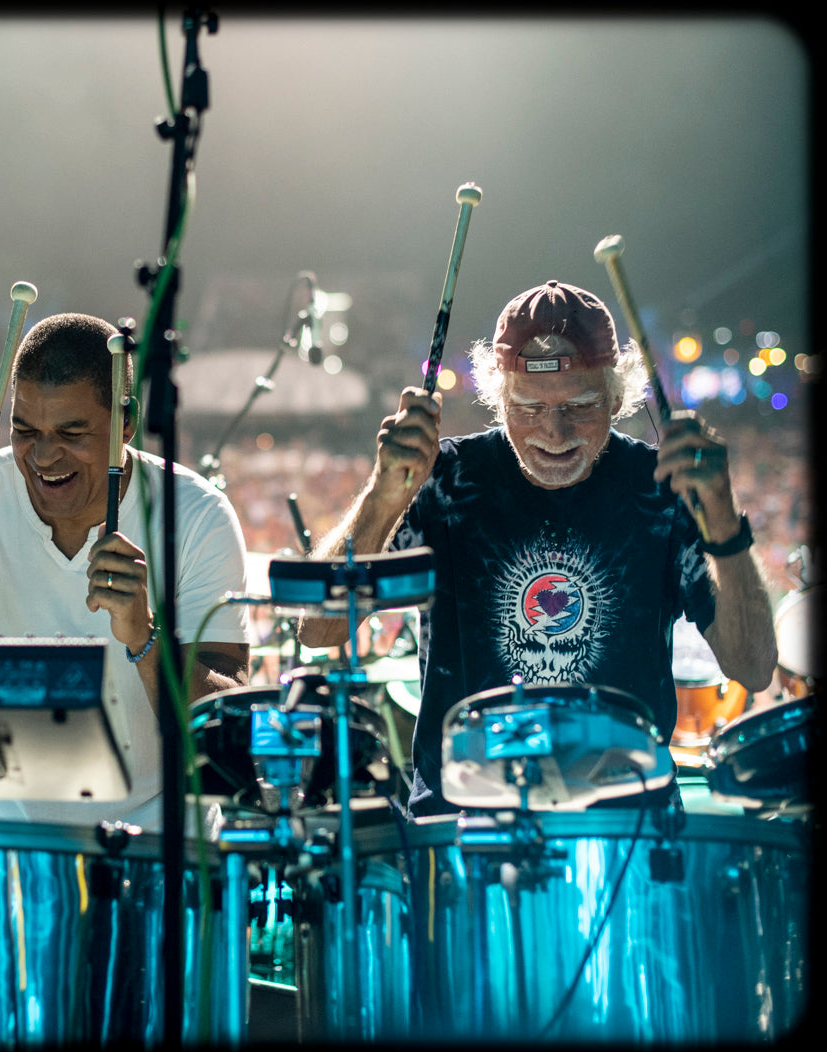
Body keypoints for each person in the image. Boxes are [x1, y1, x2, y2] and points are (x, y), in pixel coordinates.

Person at [300, 280, 777, 818]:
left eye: (580, 405)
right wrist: (382, 499)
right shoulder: (445, 483)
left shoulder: (660, 489)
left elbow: (754, 668)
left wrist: (721, 517)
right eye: (528, 406)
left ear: (617, 398)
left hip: (627, 830)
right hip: (464, 825)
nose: (554, 429)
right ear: (498, 400)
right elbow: (319, 630)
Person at [0, 312, 251, 831]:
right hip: (2, 842)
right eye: (25, 430)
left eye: (72, 432)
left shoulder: (197, 515)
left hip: (155, 841)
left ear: (126, 423)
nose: (44, 455)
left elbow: (228, 729)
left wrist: (144, 636)